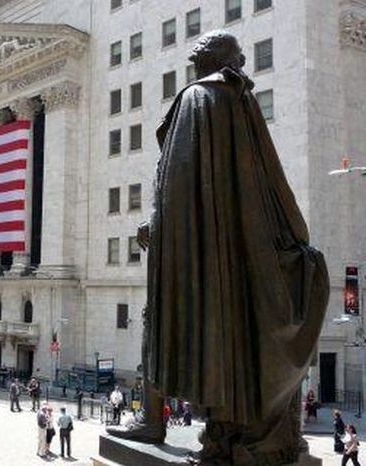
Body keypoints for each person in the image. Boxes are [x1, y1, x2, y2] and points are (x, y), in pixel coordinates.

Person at [109, 30, 329, 464]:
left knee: (161, 325)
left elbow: (177, 180)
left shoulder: (198, 98)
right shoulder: (241, 100)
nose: (243, 63)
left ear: (203, 60)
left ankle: (156, 423)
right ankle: (208, 428)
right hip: (242, 251)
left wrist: (159, 225)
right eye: (239, 56)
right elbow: (271, 181)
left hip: (199, 255)